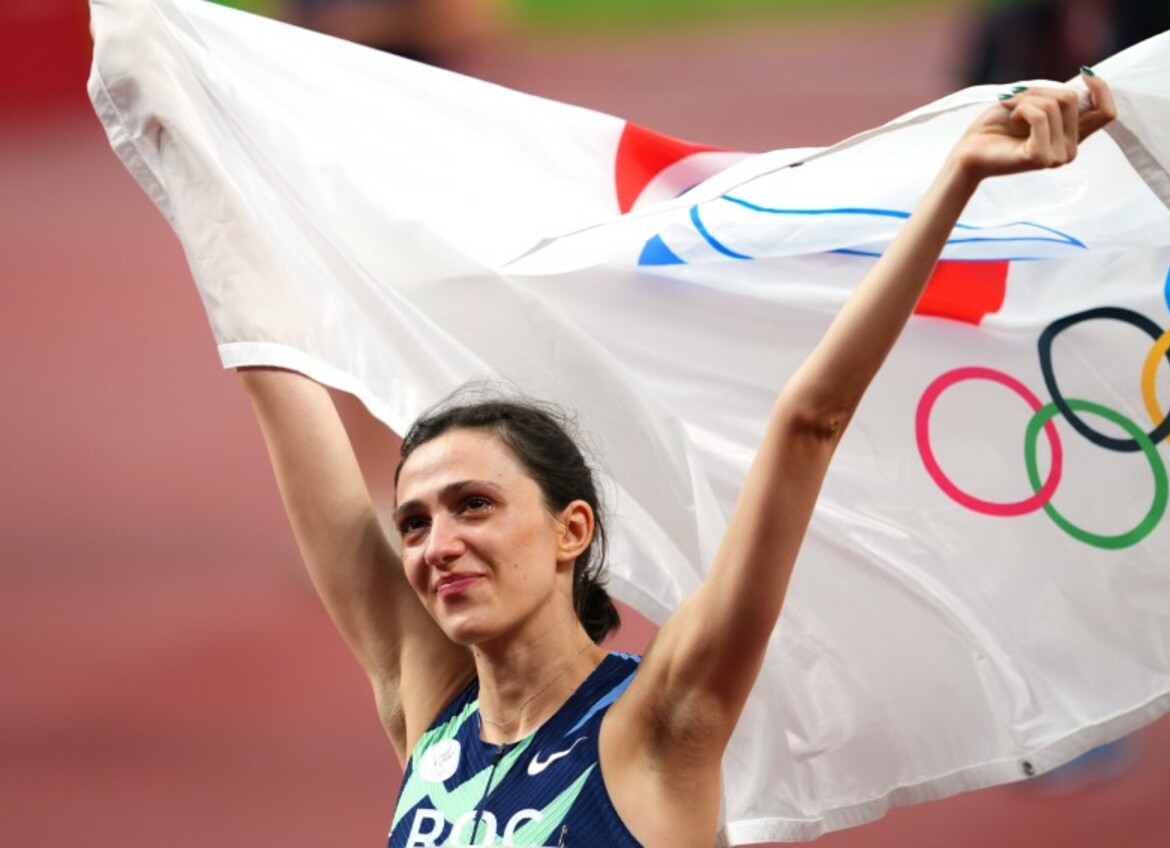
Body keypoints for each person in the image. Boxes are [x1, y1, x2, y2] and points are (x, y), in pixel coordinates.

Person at [238, 74, 1116, 847]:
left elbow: (809, 423)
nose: (437, 543)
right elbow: (277, 373)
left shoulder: (658, 721)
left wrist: (958, 178)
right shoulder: (432, 715)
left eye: (474, 504)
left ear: (571, 530)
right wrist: (198, 139)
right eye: (414, 523)